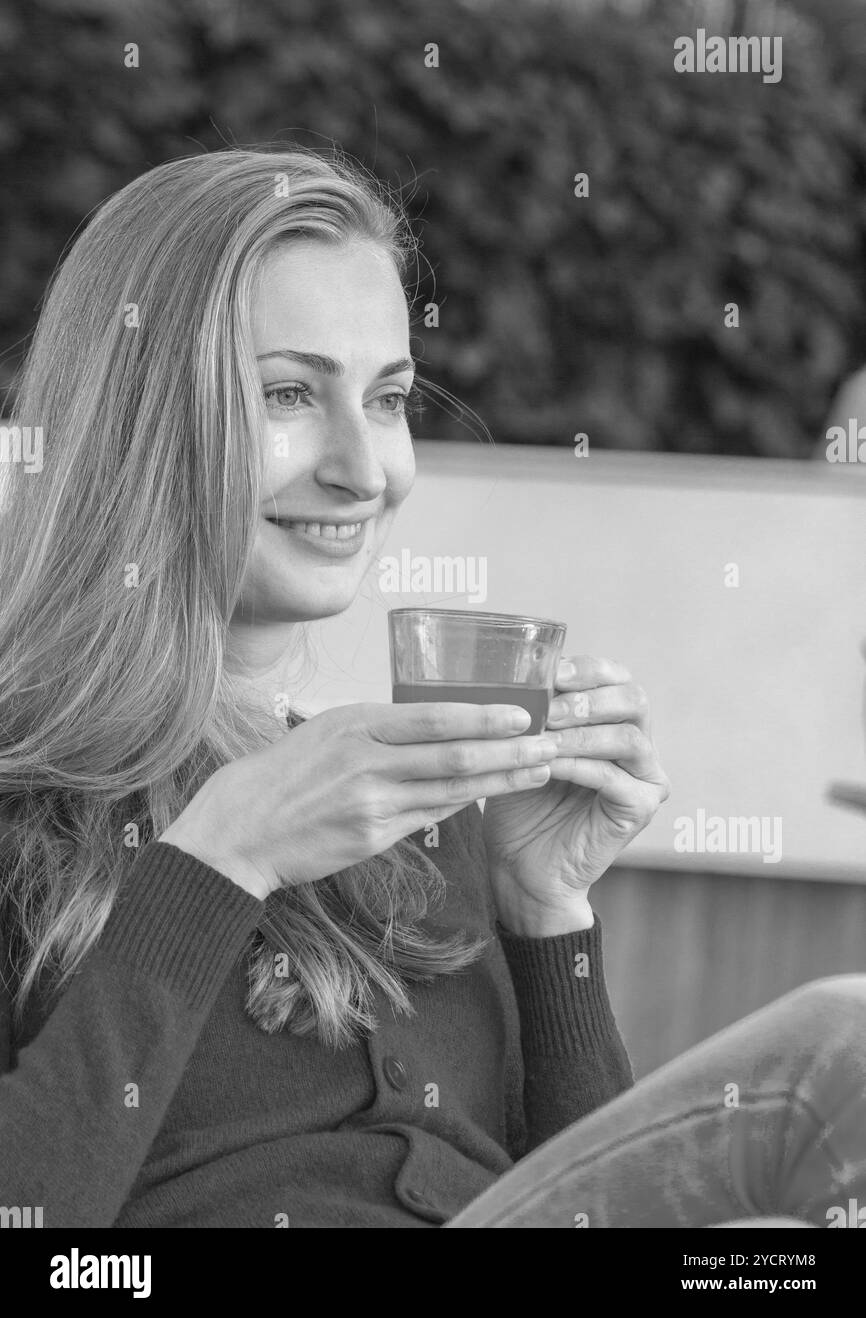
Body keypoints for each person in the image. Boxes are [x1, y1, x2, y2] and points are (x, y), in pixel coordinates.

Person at [0, 146, 862, 1229]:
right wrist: (217, 863)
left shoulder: (419, 818)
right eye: (288, 393)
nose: (366, 469)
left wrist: (541, 913)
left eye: (389, 397)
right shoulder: (23, 794)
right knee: (844, 1053)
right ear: (136, 414)